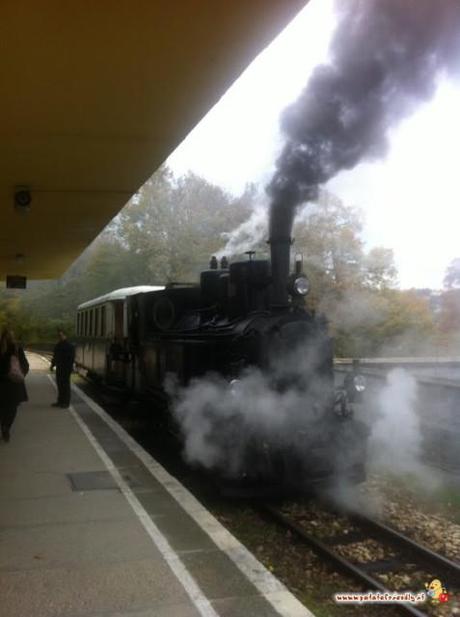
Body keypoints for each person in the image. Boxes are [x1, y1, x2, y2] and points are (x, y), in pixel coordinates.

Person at [0, 327, 29, 442]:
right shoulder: (17, 349)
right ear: (13, 338)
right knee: (12, 408)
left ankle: (3, 424)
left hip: (1, 384)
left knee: (2, 408)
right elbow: (25, 365)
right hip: (14, 384)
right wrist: (21, 374)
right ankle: (6, 426)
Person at [50, 330, 75, 408]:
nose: (60, 337)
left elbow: (71, 359)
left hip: (66, 369)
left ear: (65, 336)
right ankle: (60, 401)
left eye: (61, 335)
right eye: (59, 336)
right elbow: (55, 356)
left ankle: (66, 403)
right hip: (59, 368)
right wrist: (52, 365)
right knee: (60, 385)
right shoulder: (58, 345)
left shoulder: (69, 346)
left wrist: (69, 368)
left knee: (65, 386)